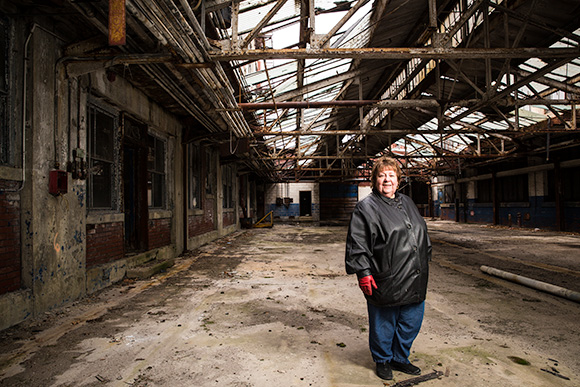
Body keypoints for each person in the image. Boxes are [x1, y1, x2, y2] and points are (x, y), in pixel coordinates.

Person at [345, 156, 431, 380]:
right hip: (386, 277)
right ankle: (383, 359)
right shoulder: (366, 208)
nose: (387, 180)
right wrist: (363, 272)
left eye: (391, 175)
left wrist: (425, 256)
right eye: (382, 175)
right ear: (374, 180)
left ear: (398, 179)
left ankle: (400, 358)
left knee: (410, 322)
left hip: (414, 276)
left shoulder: (407, 202)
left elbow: (420, 231)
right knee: (384, 322)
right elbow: (358, 243)